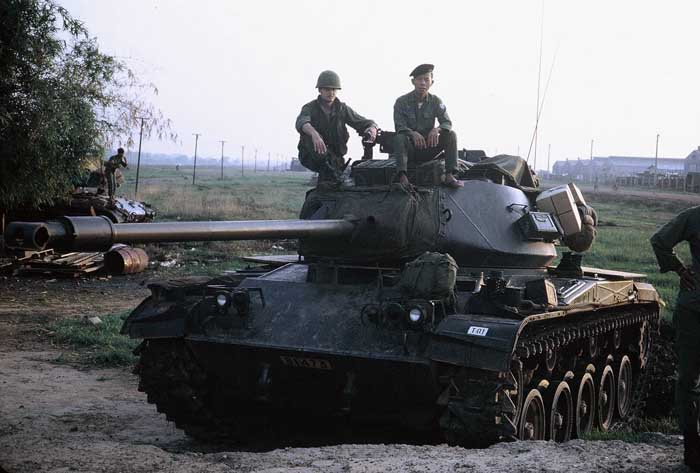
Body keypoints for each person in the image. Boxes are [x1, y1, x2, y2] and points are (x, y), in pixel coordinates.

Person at [650, 206, 700, 472]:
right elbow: (659, 241)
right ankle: (692, 447)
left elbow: (659, 241)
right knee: (688, 380)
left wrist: (680, 270)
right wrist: (681, 270)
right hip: (693, 310)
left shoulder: (693, 216)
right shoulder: (693, 216)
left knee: (688, 380)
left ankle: (693, 448)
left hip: (693, 307)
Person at [295, 70, 378, 183]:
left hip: (336, 158)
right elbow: (302, 122)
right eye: (327, 89)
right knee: (310, 134)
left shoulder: (342, 109)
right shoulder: (310, 107)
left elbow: (362, 122)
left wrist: (372, 127)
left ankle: (335, 175)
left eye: (334, 89)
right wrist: (314, 134)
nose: (331, 92)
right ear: (320, 90)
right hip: (311, 156)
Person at [393, 64, 463, 188]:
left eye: (426, 79)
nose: (423, 83)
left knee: (451, 135)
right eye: (419, 79)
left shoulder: (436, 101)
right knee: (399, 138)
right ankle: (403, 177)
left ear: (432, 82)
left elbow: (447, 122)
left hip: (429, 147)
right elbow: (399, 126)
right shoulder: (401, 102)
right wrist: (412, 133)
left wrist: (437, 129)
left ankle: (449, 175)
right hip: (410, 150)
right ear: (413, 82)